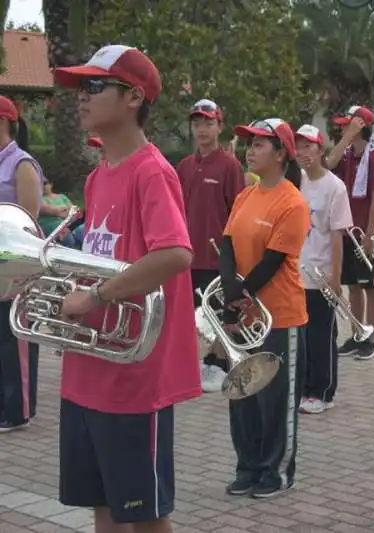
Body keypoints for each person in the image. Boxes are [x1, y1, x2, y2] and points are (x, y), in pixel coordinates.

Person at [52, 44, 200, 533]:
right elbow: (96, 262)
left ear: (134, 96)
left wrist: (94, 298)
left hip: (132, 377)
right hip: (89, 368)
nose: (81, 96)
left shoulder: (151, 171)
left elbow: (175, 253)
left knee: (146, 514)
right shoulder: (98, 179)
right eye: (80, 86)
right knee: (104, 506)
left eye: (94, 86)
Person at [221, 117, 310, 498]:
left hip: (279, 315)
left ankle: (276, 472)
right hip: (243, 313)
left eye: (259, 144)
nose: (250, 150)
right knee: (242, 394)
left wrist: (240, 291)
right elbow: (226, 245)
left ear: (280, 154)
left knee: (275, 401)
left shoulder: (292, 201)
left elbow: (274, 260)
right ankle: (248, 467)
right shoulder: (246, 195)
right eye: (249, 143)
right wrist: (229, 291)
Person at [176, 98, 245, 392]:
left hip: (218, 257)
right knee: (193, 315)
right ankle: (201, 363)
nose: (202, 129)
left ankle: (218, 364)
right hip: (188, 256)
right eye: (197, 123)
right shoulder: (184, 166)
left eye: (209, 122)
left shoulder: (230, 166)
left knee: (218, 313)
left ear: (220, 126)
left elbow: (239, 213)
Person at [295, 124, 352, 415]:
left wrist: (336, 276)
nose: (303, 152)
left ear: (320, 149)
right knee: (301, 337)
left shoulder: (335, 187)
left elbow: (336, 235)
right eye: (299, 146)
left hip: (321, 273)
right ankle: (303, 388)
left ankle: (323, 392)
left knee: (320, 336)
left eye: (308, 146)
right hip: (296, 274)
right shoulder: (296, 182)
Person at [326, 106, 374, 360]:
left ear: (362, 126)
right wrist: (346, 138)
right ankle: (356, 333)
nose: (342, 129)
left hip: (366, 233)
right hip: (346, 232)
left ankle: (370, 338)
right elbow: (328, 164)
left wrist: (371, 235)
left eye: (348, 125)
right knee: (352, 286)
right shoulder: (347, 155)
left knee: (370, 287)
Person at [0, 95, 42, 433]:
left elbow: (28, 220)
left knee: (15, 338)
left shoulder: (21, 164)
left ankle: (18, 409)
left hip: (15, 266)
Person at [38, 177, 82, 247]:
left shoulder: (62, 197)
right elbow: (51, 211)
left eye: (44, 183)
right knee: (69, 240)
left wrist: (60, 212)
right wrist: (61, 211)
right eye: (39, 183)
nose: (42, 186)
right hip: (51, 224)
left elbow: (74, 210)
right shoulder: (39, 199)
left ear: (50, 184)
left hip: (68, 222)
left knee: (82, 231)